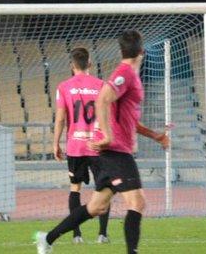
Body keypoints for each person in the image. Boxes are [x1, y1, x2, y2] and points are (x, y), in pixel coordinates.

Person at [36, 30, 171, 254]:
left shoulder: (129, 75)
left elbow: (127, 119)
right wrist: (107, 136)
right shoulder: (124, 74)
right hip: (115, 150)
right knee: (137, 203)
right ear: (142, 51)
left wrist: (155, 135)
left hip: (114, 149)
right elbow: (102, 100)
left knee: (96, 206)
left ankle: (47, 239)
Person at [52, 47, 110, 244]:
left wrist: (55, 143)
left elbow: (60, 119)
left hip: (75, 146)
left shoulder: (64, 87)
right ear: (90, 64)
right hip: (97, 145)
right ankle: (102, 234)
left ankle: (77, 235)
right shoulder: (101, 85)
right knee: (103, 189)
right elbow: (107, 116)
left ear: (72, 65)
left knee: (75, 188)